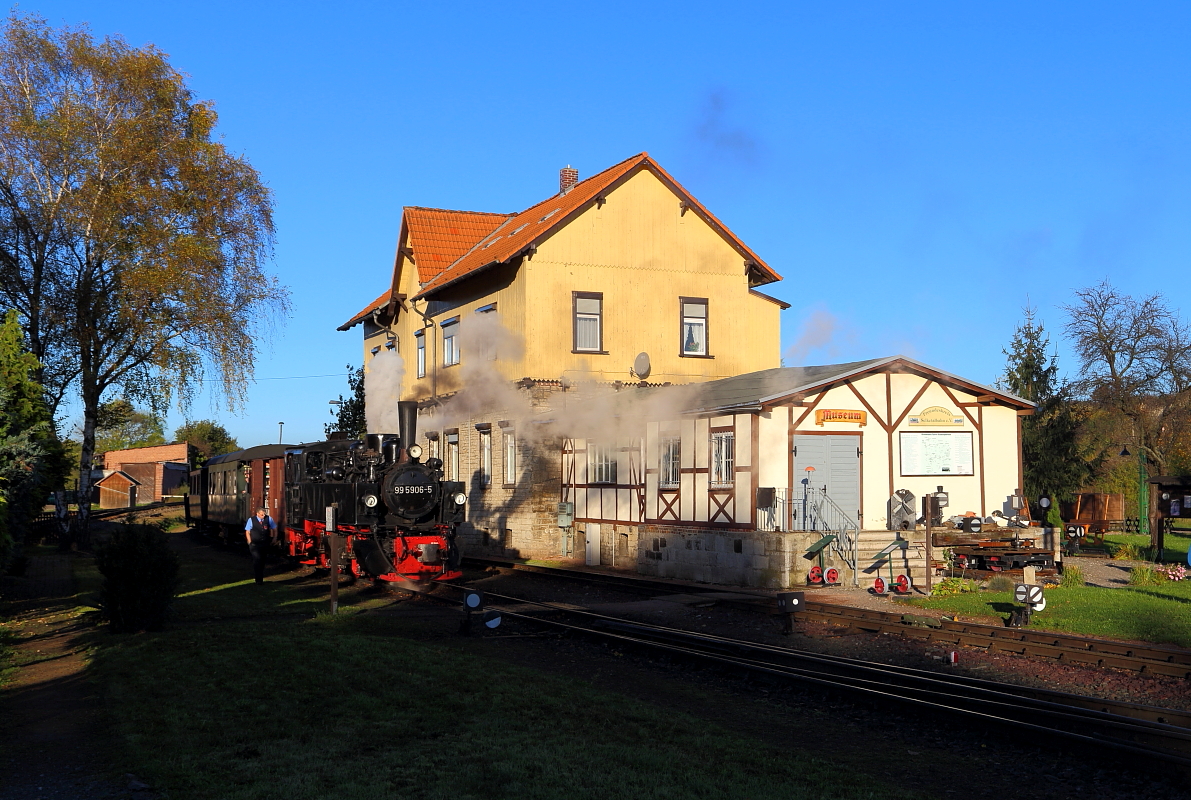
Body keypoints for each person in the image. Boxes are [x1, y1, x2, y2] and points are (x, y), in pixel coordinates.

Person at [245, 507, 277, 584]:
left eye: (264, 514)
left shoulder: (269, 519)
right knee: (257, 560)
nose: (263, 516)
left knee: (262, 561)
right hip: (255, 544)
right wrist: (250, 542)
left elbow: (275, 528)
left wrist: (274, 538)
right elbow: (247, 531)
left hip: (264, 543)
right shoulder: (251, 520)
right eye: (262, 515)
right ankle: (258, 579)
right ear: (257, 514)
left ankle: (260, 577)